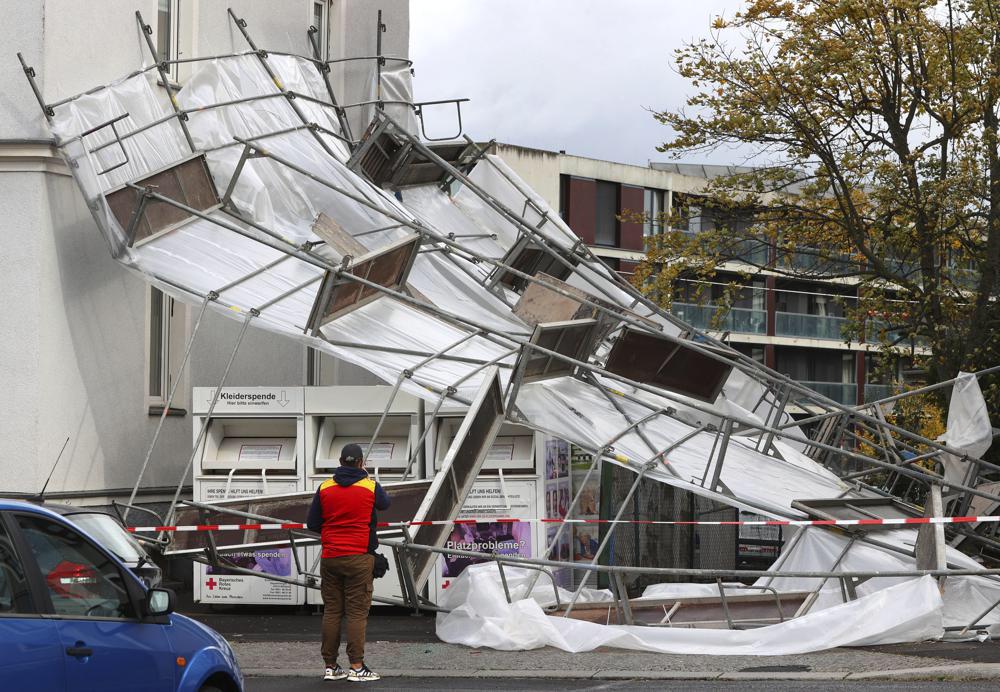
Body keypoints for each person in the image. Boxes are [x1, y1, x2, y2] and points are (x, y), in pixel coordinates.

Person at [307, 443, 390, 682]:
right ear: (361, 462)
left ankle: (331, 667)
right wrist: (366, 476)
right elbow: (385, 504)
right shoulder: (370, 486)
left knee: (332, 611)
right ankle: (356, 667)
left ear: (341, 462)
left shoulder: (324, 487)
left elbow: (313, 523)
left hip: (331, 557)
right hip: (358, 558)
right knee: (356, 613)